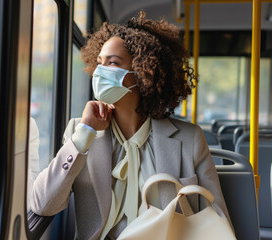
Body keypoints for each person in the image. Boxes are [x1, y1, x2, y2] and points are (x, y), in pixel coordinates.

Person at [29, 11, 232, 240]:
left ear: (144, 72)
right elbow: (42, 204)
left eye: (112, 63)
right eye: (99, 63)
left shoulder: (189, 139)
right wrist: (84, 133)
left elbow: (217, 219)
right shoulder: (81, 131)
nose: (100, 72)